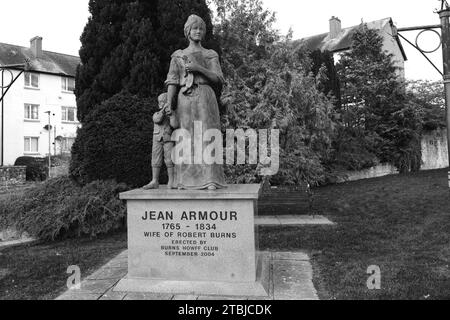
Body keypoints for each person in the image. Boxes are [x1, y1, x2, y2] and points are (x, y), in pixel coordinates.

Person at [165, 14, 226, 190]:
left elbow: (218, 78)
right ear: (188, 31)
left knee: (208, 135)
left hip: (206, 96)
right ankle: (184, 180)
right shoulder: (178, 56)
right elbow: (172, 81)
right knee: (185, 137)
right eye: (195, 28)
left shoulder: (210, 54)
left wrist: (199, 68)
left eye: (201, 28)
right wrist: (170, 104)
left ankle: (211, 180)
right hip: (184, 98)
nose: (198, 31)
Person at [143, 93, 179, 190]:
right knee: (155, 159)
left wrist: (171, 115)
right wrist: (163, 110)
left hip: (168, 138)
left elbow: (175, 125)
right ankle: (155, 180)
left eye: (163, 102)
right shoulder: (157, 114)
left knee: (169, 159)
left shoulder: (173, 113)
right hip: (157, 139)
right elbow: (157, 119)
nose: (161, 104)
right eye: (160, 102)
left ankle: (171, 181)